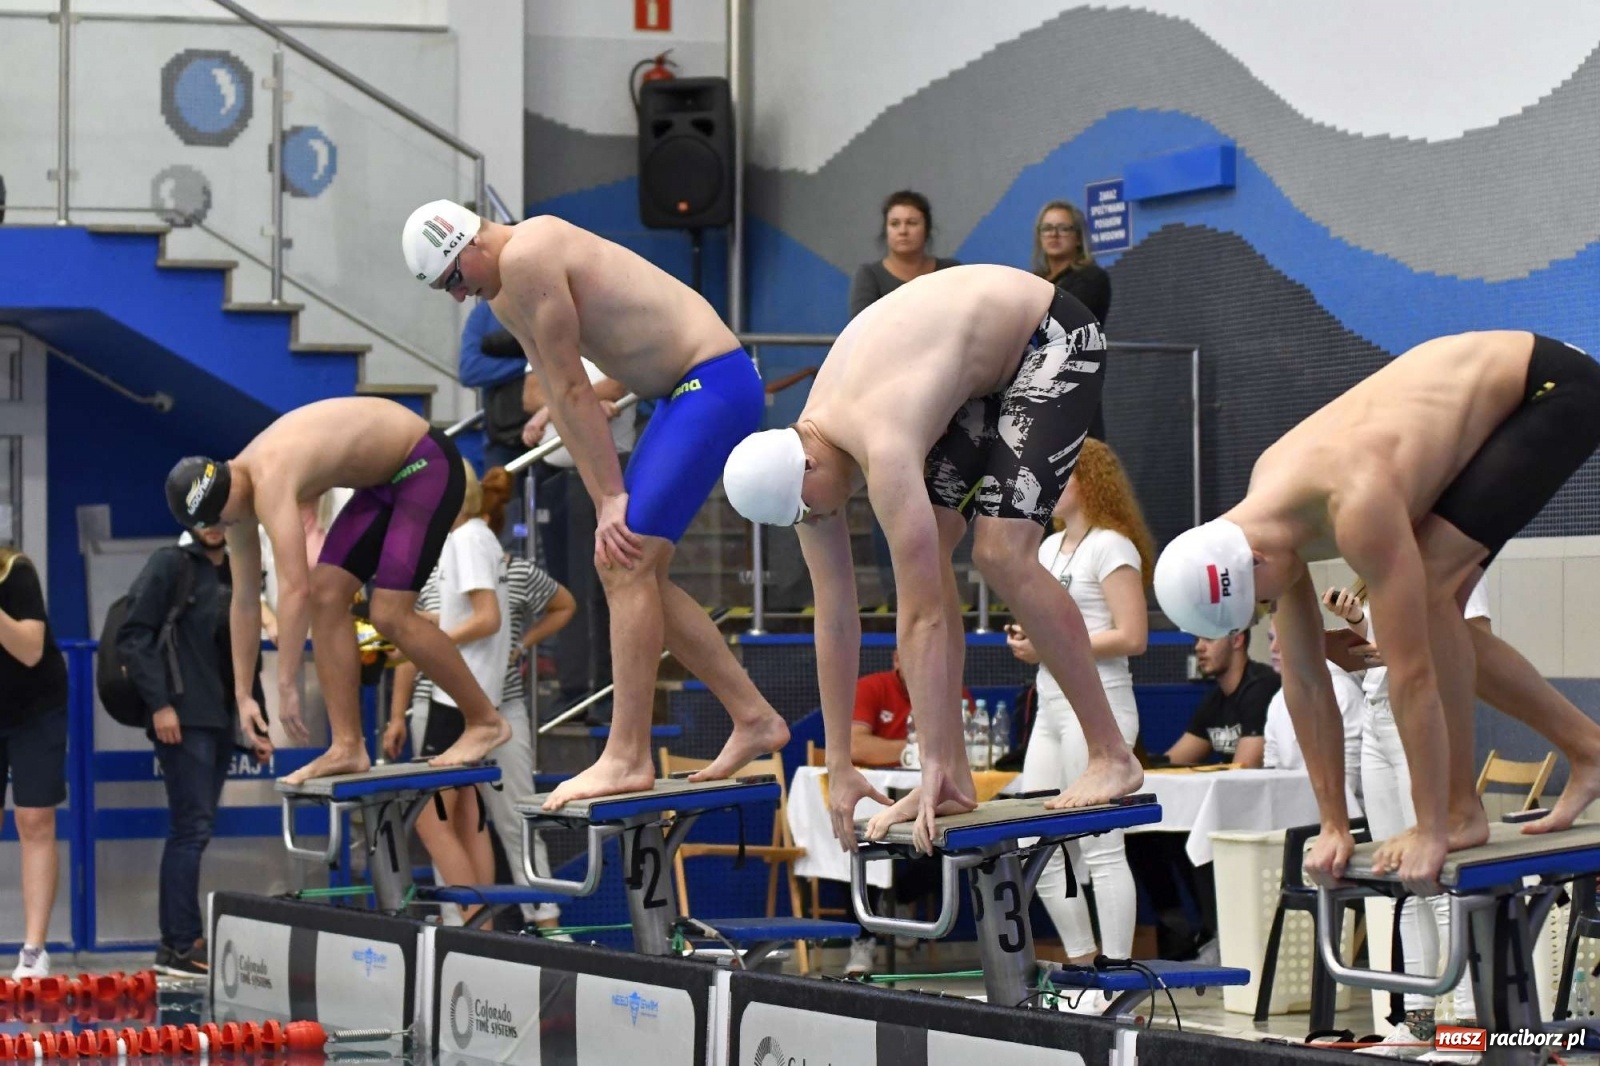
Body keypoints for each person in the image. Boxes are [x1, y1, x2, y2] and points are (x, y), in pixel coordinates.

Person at [1152, 331, 1600, 892]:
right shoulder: (1261, 529)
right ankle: (1587, 751)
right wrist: (1333, 825)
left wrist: (1429, 828)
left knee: (1436, 598)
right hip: (1488, 403)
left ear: (1255, 561)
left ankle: (1462, 811)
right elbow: (1306, 681)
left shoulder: (1354, 504)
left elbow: (1410, 676)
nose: (1269, 610)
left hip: (1549, 387)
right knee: (1445, 608)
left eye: (1261, 600)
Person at [722, 264, 1144, 854]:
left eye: (808, 511)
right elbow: (835, 613)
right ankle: (954, 782)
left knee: (1000, 552)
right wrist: (839, 762)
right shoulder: (803, 459)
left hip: (1050, 336)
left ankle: (1111, 754)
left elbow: (923, 618)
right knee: (936, 543)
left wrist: (929, 764)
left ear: (808, 468)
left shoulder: (883, 445)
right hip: (978, 370)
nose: (817, 523)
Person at [401, 200, 789, 809]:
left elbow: (572, 387)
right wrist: (596, 449)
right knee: (635, 567)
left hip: (711, 383)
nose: (457, 297)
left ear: (470, 244)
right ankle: (753, 718)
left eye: (453, 279)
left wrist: (610, 496)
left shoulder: (528, 255)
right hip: (676, 391)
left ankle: (627, 754)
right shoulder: (503, 289)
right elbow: (567, 389)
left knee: (621, 559)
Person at [163, 396, 512, 786]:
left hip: (425, 464)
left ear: (225, 490)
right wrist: (244, 694)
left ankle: (485, 721)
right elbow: (244, 602)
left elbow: (293, 588)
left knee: (389, 613)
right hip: (383, 482)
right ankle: (348, 746)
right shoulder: (235, 505)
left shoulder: (268, 477)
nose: (225, 528)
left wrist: (286, 684)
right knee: (328, 596)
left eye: (223, 519)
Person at [1005, 437, 1151, 994]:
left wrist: (1058, 645)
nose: (1046, 486)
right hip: (1050, 706)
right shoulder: (1046, 549)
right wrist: (1034, 639)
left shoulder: (1112, 546)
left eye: (1058, 474)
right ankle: (1084, 963)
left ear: (1087, 482)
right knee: (1032, 841)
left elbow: (1133, 635)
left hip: (1104, 707)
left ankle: (1120, 982)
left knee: (1100, 844)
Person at [1336, 577, 1491, 1037]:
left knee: (1435, 873)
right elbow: (1384, 646)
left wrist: (1404, 656)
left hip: (1422, 715)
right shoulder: (1382, 558)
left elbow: (1477, 643)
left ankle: (1466, 1023)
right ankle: (1419, 1021)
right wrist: (1357, 624)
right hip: (1375, 712)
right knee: (1399, 876)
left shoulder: (1455, 556)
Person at [117, 522, 270, 976]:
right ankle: (182, 943)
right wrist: (160, 704)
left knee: (194, 829)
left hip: (220, 718)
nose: (213, 525)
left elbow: (243, 656)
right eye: (203, 515)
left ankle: (175, 944)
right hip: (183, 719)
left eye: (222, 515)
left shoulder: (237, 574)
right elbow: (134, 636)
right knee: (191, 830)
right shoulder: (171, 564)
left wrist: (255, 721)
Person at [844, 649, 971, 976]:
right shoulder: (872, 687)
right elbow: (856, 746)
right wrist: (916, 751)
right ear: (896, 660)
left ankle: (898, 897)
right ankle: (866, 935)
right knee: (860, 837)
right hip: (881, 795)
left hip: (940, 799)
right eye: (910, 658)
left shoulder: (952, 692)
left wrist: (927, 757)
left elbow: (965, 752)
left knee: (944, 838)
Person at [0, 547, 68, 979]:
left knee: (34, 818)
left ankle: (33, 950)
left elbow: (29, 649)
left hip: (35, 710)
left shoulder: (15, 572)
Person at [1259, 620, 1366, 812]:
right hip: (1292, 811)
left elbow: (1346, 785)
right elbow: (1272, 773)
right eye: (1271, 638)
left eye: (1282, 639)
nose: (1274, 648)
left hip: (1348, 815)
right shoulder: (1277, 700)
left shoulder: (1342, 693)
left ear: (1308, 641)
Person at [1031, 200, 1110, 441]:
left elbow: (1063, 321)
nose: (1054, 234)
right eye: (1047, 228)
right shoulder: (1033, 280)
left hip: (1074, 382)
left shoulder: (1092, 277)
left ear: (1078, 237)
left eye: (1063, 228)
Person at [847, 191, 960, 321]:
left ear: (927, 229)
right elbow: (860, 329)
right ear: (886, 230)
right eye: (895, 224)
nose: (903, 231)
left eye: (912, 223)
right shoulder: (870, 275)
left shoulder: (950, 271)